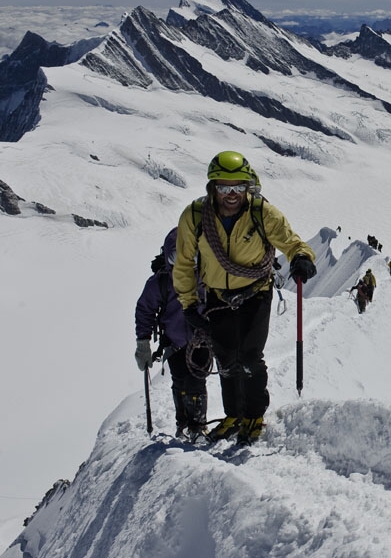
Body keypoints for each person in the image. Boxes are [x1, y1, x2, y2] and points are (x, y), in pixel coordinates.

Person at [173, 151, 316, 445]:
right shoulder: (196, 216)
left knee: (250, 357)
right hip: (217, 297)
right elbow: (184, 263)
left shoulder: (262, 213)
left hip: (255, 294)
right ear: (212, 187)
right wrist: (188, 304)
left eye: (239, 187)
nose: (231, 194)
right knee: (226, 360)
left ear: (249, 186)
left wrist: (301, 257)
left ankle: (254, 414)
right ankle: (234, 415)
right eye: (224, 187)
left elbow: (291, 241)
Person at [134, 228, 210, 442]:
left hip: (199, 339)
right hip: (175, 341)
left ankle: (196, 424)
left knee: (196, 380)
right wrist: (143, 343)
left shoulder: (205, 276)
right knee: (180, 380)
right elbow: (145, 310)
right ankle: (186, 423)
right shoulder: (162, 282)